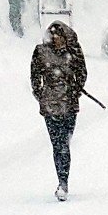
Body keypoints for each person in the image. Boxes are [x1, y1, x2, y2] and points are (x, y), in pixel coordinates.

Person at [30, 20, 87, 201]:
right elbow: (34, 76)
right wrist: (42, 95)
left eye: (59, 36)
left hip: (69, 106)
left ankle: (64, 180)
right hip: (50, 107)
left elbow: (82, 73)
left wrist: (75, 90)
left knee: (64, 144)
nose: (56, 39)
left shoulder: (74, 51)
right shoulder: (41, 52)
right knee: (58, 145)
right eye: (53, 36)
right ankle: (62, 181)